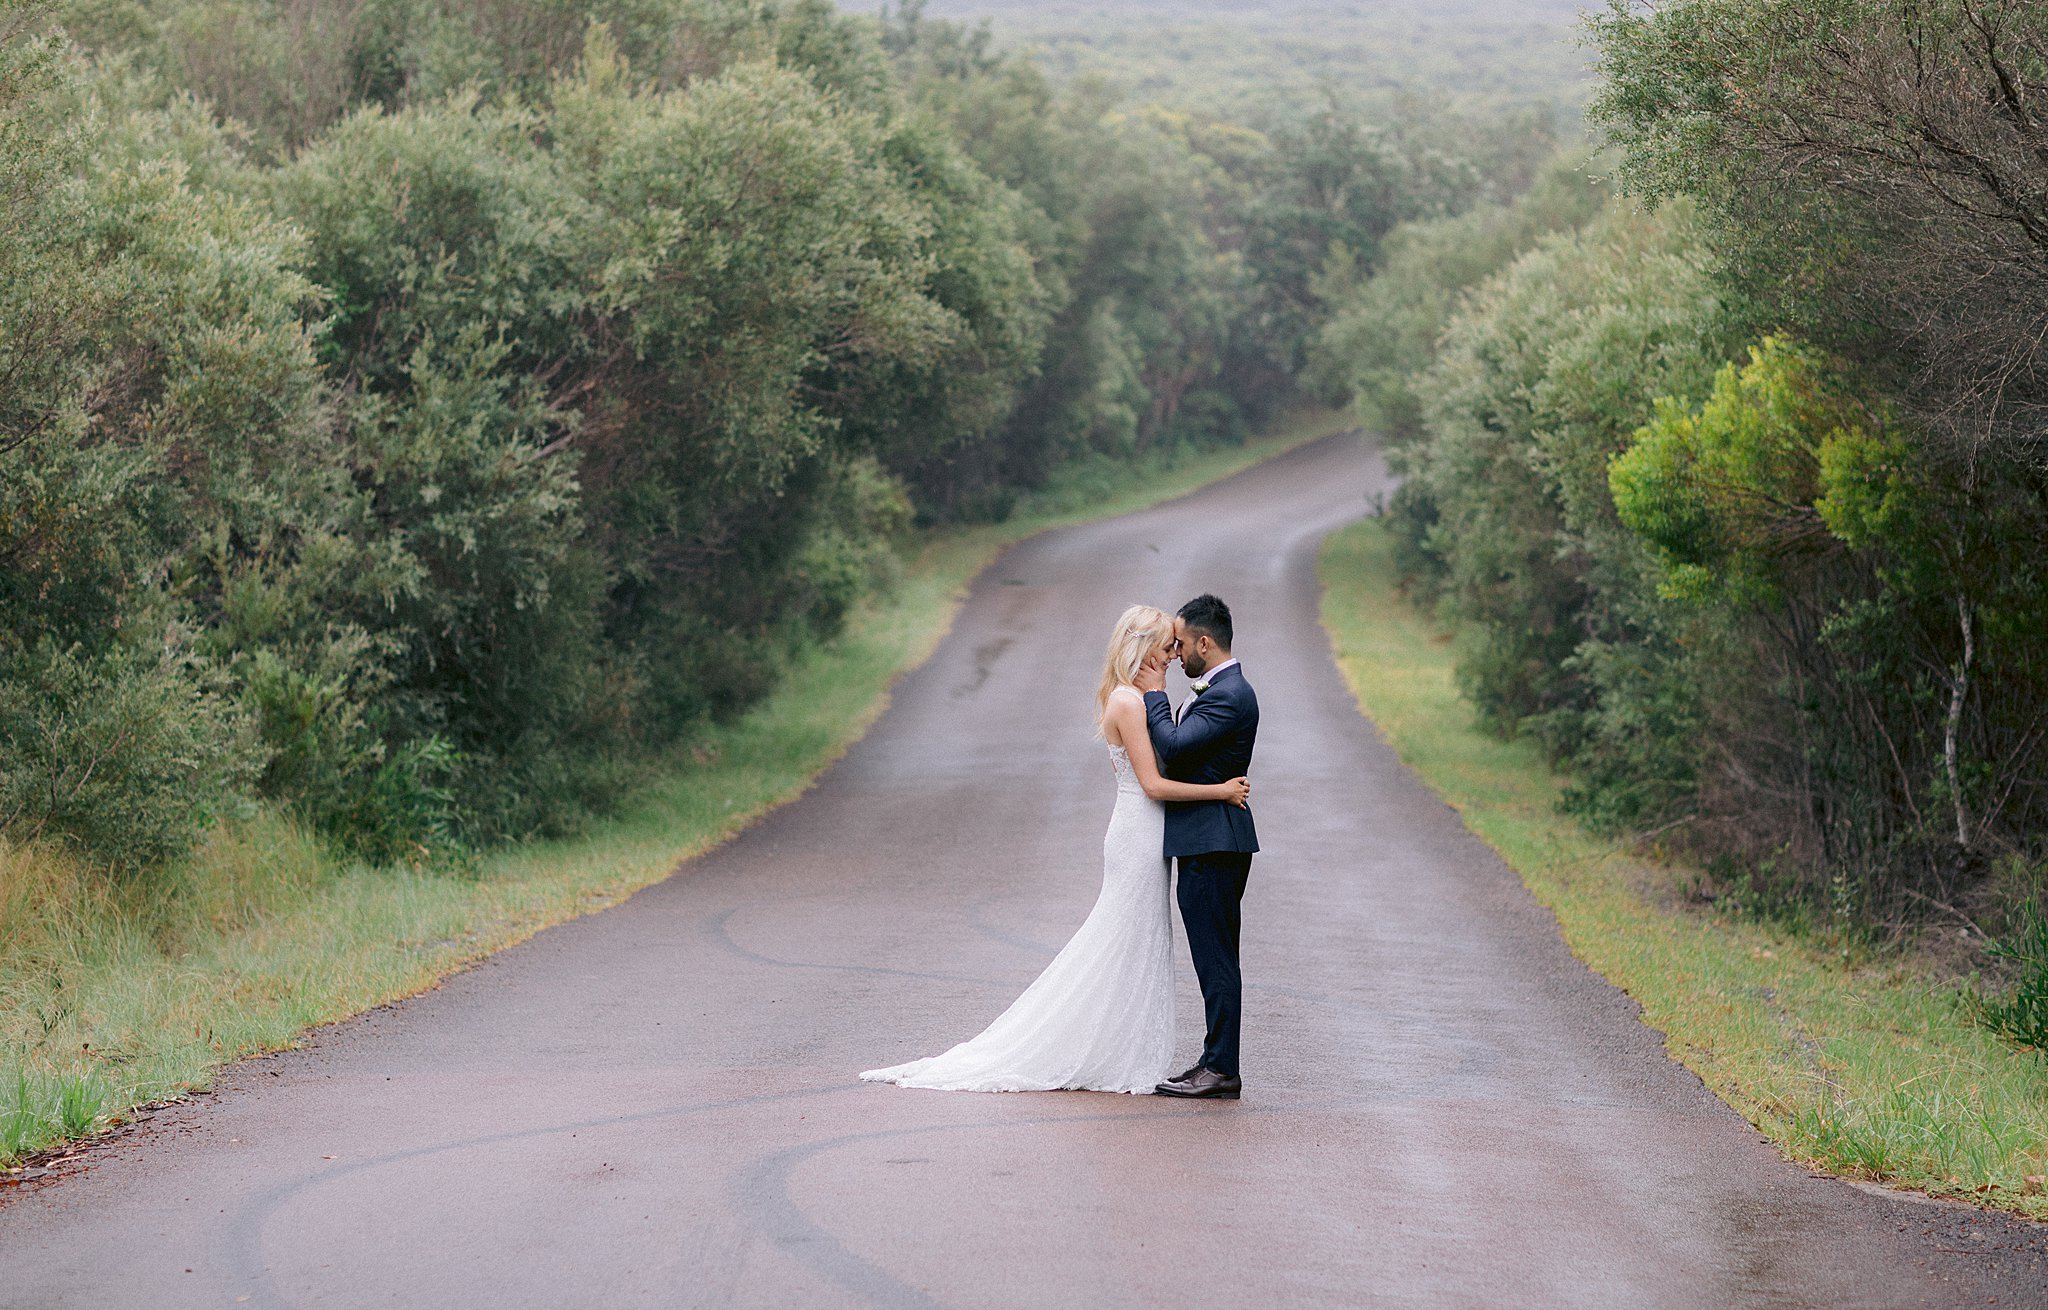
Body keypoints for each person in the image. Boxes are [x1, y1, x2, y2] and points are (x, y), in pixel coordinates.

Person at [861, 605, 1250, 1094]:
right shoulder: (1131, 703)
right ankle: (1097, 1049)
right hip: (1139, 834)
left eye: (1177, 645)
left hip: (1153, 834)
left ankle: (1131, 1049)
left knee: (1136, 943)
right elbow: (1154, 783)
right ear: (1144, 648)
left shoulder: (1139, 697)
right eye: (1167, 645)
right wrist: (1220, 791)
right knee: (1119, 940)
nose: (1174, 653)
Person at [1134, 594, 1258, 1099]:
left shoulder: (1230, 694)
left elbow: (1176, 748)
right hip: (1207, 841)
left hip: (1215, 844)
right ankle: (1213, 1061)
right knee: (1211, 955)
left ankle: (1222, 1069)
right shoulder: (1220, 690)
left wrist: (1155, 695)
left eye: (1182, 643)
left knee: (1217, 957)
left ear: (1205, 643)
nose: (1177, 652)